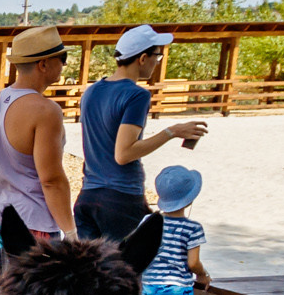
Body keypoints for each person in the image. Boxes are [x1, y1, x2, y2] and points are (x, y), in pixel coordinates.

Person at [75, 24, 208, 242]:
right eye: (157, 56)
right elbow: (124, 153)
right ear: (143, 58)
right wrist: (172, 132)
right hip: (121, 196)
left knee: (91, 263)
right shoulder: (136, 95)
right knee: (131, 261)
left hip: (88, 196)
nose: (158, 62)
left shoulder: (91, 91)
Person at [0, 24, 74, 295]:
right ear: (44, 64)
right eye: (62, 59)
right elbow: (51, 180)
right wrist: (70, 232)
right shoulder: (45, 111)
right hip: (33, 227)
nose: (63, 65)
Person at [140, 164, 208, 295]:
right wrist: (203, 275)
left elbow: (141, 251)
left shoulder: (148, 221)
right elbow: (193, 262)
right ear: (190, 199)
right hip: (178, 287)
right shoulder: (193, 228)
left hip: (150, 285)